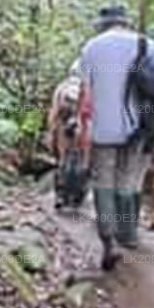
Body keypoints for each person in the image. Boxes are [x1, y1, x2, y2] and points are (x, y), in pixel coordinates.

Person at [78, 4, 154, 270]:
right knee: (130, 180)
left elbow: (86, 99)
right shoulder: (146, 45)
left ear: (103, 24)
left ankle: (108, 241)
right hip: (140, 128)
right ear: (125, 22)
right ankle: (129, 234)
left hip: (103, 129)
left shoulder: (90, 48)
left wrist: (82, 131)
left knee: (104, 180)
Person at [48, 60, 90, 209]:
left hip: (63, 128)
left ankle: (61, 195)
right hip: (84, 129)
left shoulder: (62, 88)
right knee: (83, 161)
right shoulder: (91, 88)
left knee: (63, 159)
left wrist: (52, 133)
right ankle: (78, 196)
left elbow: (54, 114)